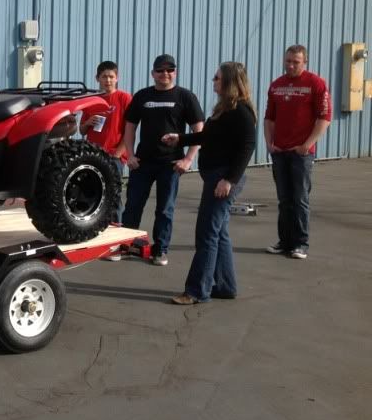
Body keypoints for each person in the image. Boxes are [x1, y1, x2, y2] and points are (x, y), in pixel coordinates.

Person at [161, 62, 257, 304]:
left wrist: (229, 180)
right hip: (216, 176)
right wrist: (180, 139)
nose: (213, 81)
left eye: (217, 78)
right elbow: (207, 136)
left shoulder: (241, 112)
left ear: (229, 82)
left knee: (206, 233)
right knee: (219, 232)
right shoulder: (224, 109)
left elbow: (247, 147)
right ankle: (226, 286)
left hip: (223, 178)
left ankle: (196, 291)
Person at [120, 54, 204, 266]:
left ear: (174, 72)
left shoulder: (185, 97)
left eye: (169, 70)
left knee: (165, 209)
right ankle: (128, 244)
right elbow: (130, 126)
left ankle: (160, 249)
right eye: (160, 70)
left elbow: (199, 131)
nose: (165, 74)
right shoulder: (142, 96)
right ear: (153, 73)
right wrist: (130, 155)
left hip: (171, 164)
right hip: (143, 162)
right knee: (133, 205)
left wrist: (188, 159)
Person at [264, 45, 331, 260]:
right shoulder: (277, 85)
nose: (291, 65)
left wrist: (307, 145)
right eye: (288, 61)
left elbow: (324, 118)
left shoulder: (315, 84)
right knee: (284, 199)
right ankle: (284, 242)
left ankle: (300, 243)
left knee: (300, 198)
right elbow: (269, 118)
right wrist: (269, 143)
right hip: (280, 151)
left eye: (296, 62)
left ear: (305, 62)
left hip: (301, 153)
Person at [79, 61, 132, 259]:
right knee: (93, 196)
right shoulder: (92, 100)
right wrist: (87, 123)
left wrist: (119, 152)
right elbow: (82, 130)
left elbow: (130, 128)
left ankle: (115, 245)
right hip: (94, 155)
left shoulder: (124, 98)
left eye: (111, 76)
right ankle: (94, 238)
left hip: (114, 156)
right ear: (97, 78)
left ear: (117, 78)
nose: (108, 80)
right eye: (104, 76)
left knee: (114, 199)